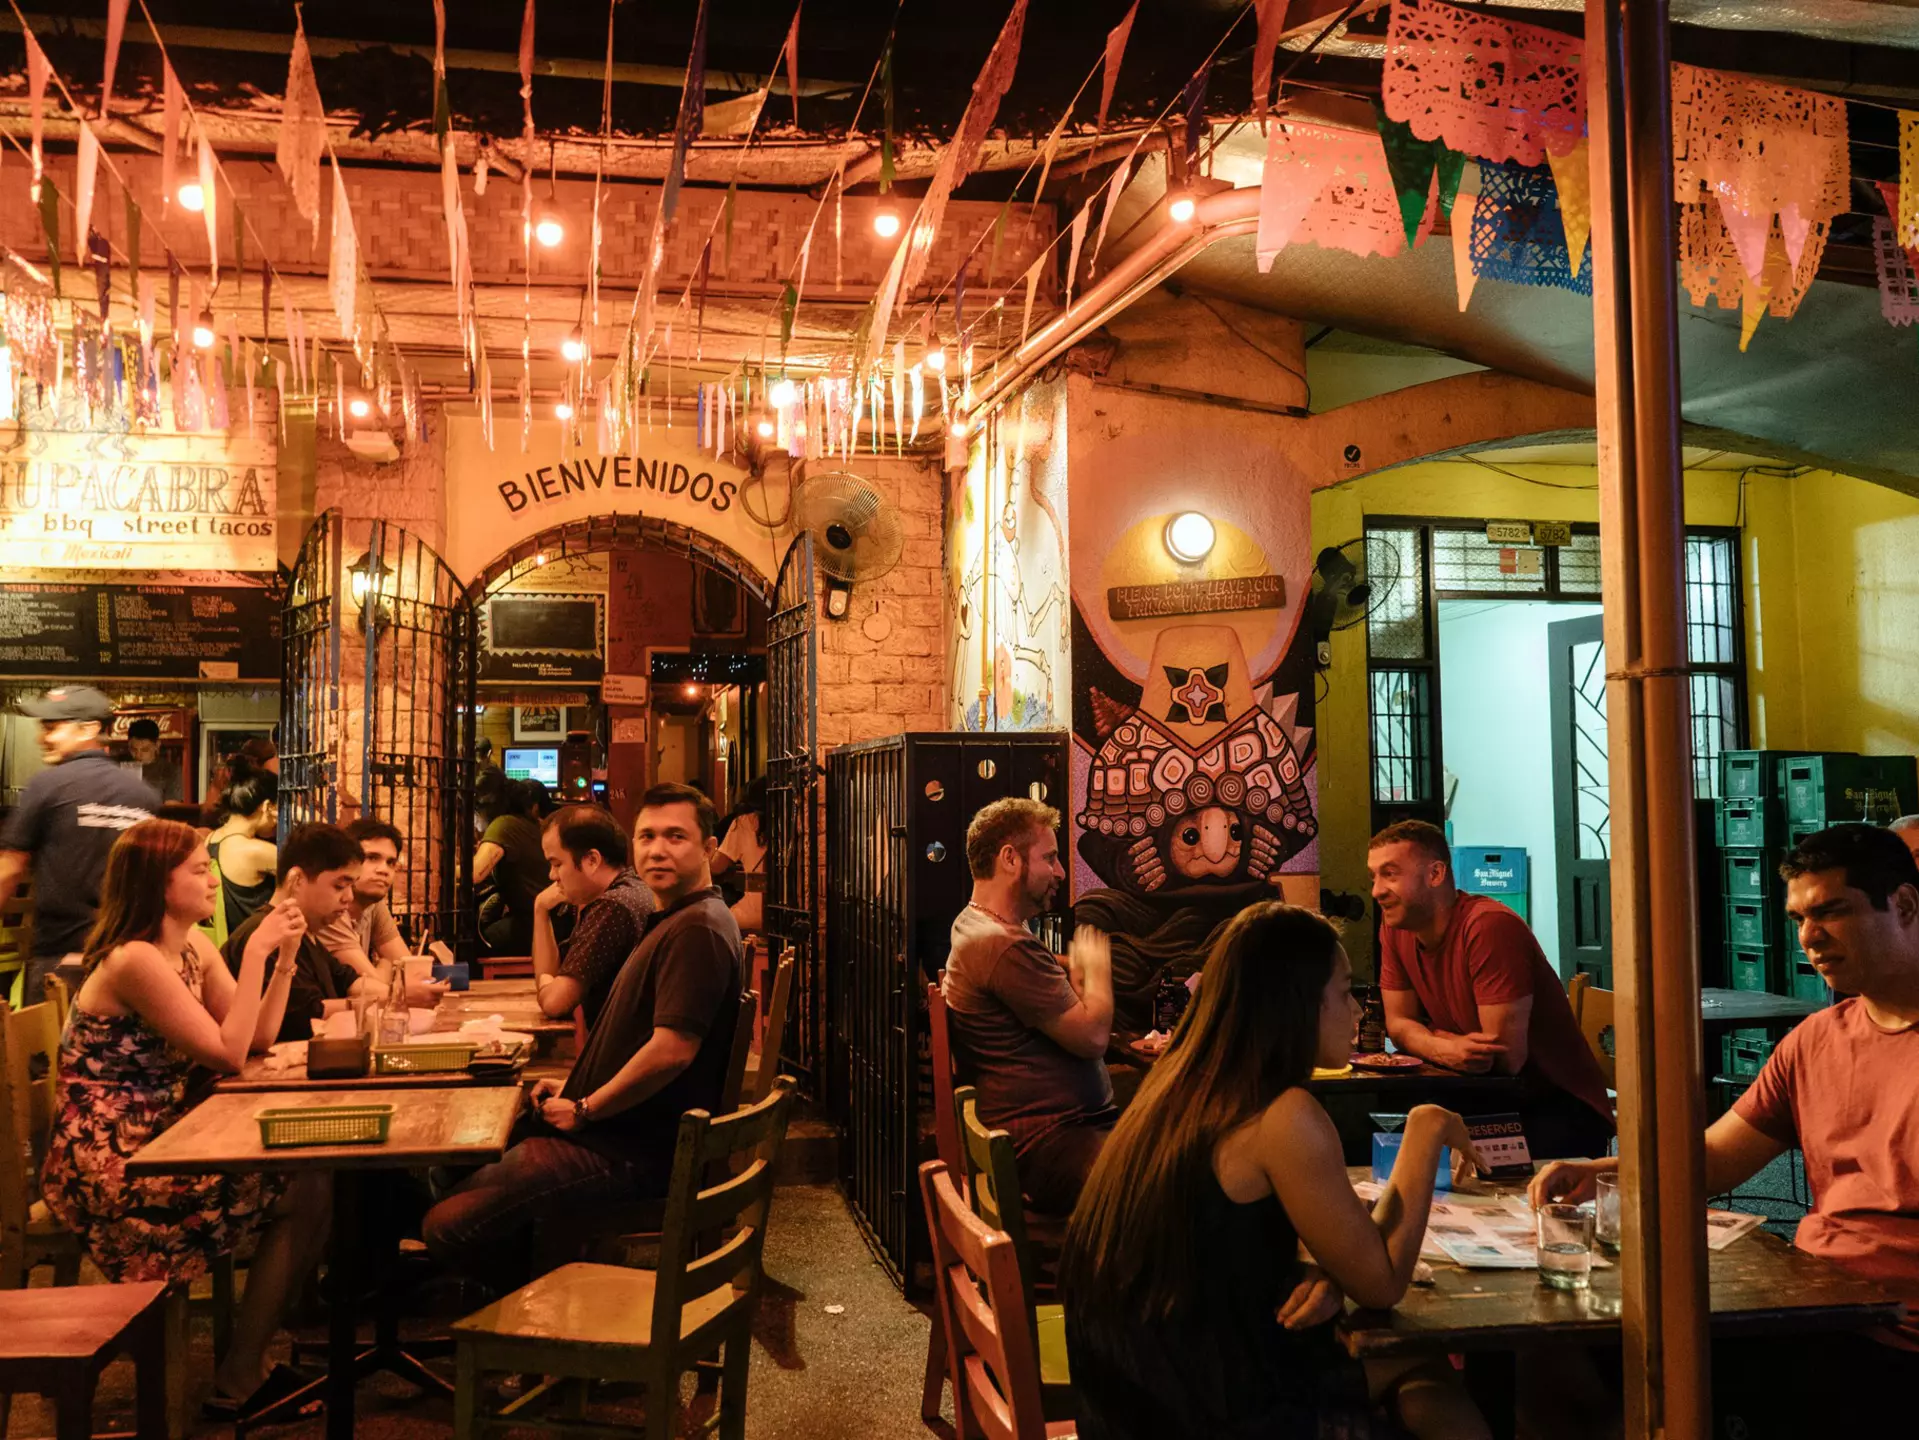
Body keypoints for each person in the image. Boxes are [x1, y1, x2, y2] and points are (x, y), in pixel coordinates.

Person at [1532, 823, 1919, 1435]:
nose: (1809, 939)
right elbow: (1712, 1158)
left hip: (1889, 1336)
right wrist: (1601, 1171)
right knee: (1561, 1358)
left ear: (1902, 905)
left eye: (1831, 913)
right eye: (1797, 918)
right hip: (1809, 1307)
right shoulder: (1815, 1041)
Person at [1061, 902, 1490, 1440]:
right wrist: (1424, 1130)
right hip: (1204, 1409)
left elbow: (1227, 1239)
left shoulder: (1180, 1085)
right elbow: (1381, 1284)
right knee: (1426, 1380)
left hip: (1130, 1397)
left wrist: (1326, 1270)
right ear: (1297, 1004)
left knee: (1421, 1384)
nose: (1357, 1011)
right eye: (1342, 991)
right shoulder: (1284, 1116)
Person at [38, 819, 331, 1413]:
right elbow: (226, 1052)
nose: (214, 880)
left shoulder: (192, 946)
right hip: (113, 1162)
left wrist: (284, 960)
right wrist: (253, 951)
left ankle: (246, 1362)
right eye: (199, 870)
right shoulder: (135, 961)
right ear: (157, 882)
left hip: (167, 1136)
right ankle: (242, 1372)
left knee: (313, 1176)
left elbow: (256, 1039)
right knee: (305, 1183)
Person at [423, 783, 744, 1291]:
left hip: (631, 1149)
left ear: (708, 849)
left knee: (448, 1224)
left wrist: (586, 1107)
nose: (658, 848)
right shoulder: (676, 916)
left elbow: (672, 1051)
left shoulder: (697, 930)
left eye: (676, 836)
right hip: (616, 1130)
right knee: (460, 1166)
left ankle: (550, 1317)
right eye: (648, 836)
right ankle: (549, 1292)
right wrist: (574, 1086)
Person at [1368, 820, 1614, 1160]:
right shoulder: (1396, 928)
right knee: (1382, 1128)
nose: (1377, 891)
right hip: (1478, 1093)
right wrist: (1448, 1047)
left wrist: (1427, 1036)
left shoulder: (1488, 927)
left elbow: (1503, 1059)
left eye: (1390, 874)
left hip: (1552, 1107)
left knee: (1410, 1148)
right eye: (1374, 877)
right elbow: (1397, 1025)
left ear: (1436, 874)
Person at [942, 797, 1116, 1216]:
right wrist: (1099, 973)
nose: (1059, 872)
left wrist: (1073, 981)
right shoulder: (1002, 944)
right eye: (1050, 857)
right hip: (1047, 1141)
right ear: (1010, 858)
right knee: (1170, 1180)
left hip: (1054, 1131)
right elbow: (1093, 1037)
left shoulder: (978, 925)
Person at [0, 686, 159, 999]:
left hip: (58, 959)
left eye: (52, 727)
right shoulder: (145, 796)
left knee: (47, 1046)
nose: (41, 737)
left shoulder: (47, 785)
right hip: (130, 960)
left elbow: (9, 869)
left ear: (90, 728)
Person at [221, 822, 380, 1044]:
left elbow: (349, 980)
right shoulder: (265, 934)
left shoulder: (306, 933)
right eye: (339, 886)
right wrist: (377, 1002)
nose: (349, 898)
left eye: (351, 887)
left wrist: (397, 994)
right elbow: (302, 1016)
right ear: (297, 880)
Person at [532, 805, 654, 1027]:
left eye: (557, 864)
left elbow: (554, 1003)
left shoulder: (614, 907)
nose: (552, 875)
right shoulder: (625, 889)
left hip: (621, 1056)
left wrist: (546, 984)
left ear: (592, 860)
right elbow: (551, 982)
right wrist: (540, 909)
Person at [317, 818, 419, 983]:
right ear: (347, 860)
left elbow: (412, 973)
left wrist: (386, 968)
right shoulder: (332, 910)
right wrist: (386, 964)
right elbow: (372, 986)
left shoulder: (374, 906)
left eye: (390, 862)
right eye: (372, 858)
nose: (383, 870)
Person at [204, 761, 279, 933]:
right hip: (254, 945)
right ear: (268, 807)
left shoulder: (211, 838)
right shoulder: (255, 851)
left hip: (227, 944)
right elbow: (309, 876)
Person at [474, 773, 543, 954]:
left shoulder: (503, 825)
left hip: (532, 924)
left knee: (475, 942)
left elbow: (474, 873)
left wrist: (441, 871)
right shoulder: (528, 825)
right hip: (550, 921)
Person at [712, 777, 768, 935]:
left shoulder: (743, 823)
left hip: (748, 916)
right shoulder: (794, 822)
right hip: (785, 917)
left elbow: (716, 867)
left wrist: (706, 851)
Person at [121, 718, 183, 802]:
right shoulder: (119, 766)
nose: (138, 755)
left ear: (157, 745)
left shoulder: (170, 771)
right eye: (134, 750)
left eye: (145, 750)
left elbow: (172, 807)